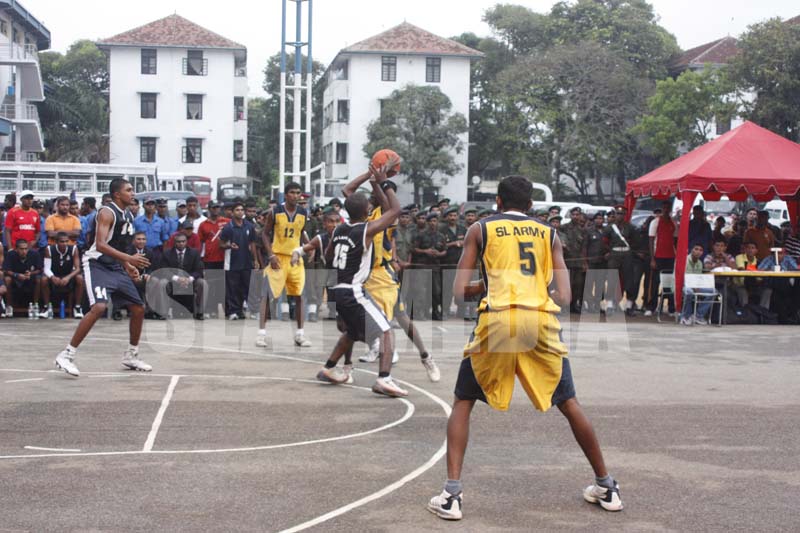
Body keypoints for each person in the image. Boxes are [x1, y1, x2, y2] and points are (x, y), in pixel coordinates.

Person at [427, 177, 622, 520]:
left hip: (498, 320)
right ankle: (606, 486)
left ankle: (451, 495)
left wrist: (488, 285)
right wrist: (534, 287)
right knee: (569, 403)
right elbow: (565, 296)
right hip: (539, 322)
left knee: (463, 402)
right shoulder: (550, 234)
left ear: (498, 202)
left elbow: (458, 291)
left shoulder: (479, 229)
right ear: (531, 205)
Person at [315, 161, 408, 397]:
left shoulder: (338, 229)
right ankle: (384, 379)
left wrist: (370, 174)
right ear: (367, 211)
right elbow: (396, 210)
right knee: (386, 331)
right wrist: (383, 182)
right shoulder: (366, 229)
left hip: (337, 289)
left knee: (353, 333)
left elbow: (328, 256)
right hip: (354, 291)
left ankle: (328, 368)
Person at [53, 178, 153, 377]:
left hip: (115, 266)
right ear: (117, 194)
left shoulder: (128, 215)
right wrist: (129, 259)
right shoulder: (107, 212)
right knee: (99, 307)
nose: (133, 193)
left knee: (138, 308)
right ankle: (66, 355)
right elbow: (100, 245)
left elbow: (117, 246)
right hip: (96, 264)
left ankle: (131, 355)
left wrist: (127, 266)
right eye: (129, 190)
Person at [258, 182, 311, 347]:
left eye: (298, 193)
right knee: (267, 295)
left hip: (295, 258)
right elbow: (265, 234)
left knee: (300, 295)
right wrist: (271, 255)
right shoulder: (275, 212)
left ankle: (300, 334)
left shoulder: (303, 212)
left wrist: (309, 247)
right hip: (278, 257)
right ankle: (261, 334)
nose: (296, 196)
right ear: (286, 195)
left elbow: (301, 232)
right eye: (292, 192)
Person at [219, 202, 259, 320]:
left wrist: (255, 259)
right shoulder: (228, 227)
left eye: (242, 210)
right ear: (232, 212)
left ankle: (249, 311)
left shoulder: (249, 226)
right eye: (237, 210)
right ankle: (233, 311)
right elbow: (221, 244)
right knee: (232, 288)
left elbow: (253, 244)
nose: (240, 212)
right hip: (232, 262)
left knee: (248, 287)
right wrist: (229, 246)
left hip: (246, 261)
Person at [158, 232, 206, 319]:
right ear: (174, 242)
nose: (181, 243)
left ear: (186, 242)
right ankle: (163, 313)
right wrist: (177, 279)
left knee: (202, 283)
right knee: (162, 283)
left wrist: (189, 279)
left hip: (190, 280)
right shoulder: (167, 253)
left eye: (183, 241)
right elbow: (164, 270)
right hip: (173, 281)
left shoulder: (194, 253)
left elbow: (199, 270)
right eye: (178, 242)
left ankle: (200, 313)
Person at [197, 201, 230, 317]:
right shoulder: (203, 225)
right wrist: (199, 258)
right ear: (209, 209)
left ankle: (226, 310)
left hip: (224, 259)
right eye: (213, 207)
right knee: (210, 286)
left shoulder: (226, 222)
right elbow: (200, 242)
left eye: (217, 207)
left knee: (223, 286)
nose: (216, 209)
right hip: (209, 259)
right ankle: (211, 309)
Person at [42, 232, 85, 319]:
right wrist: (53, 277)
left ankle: (77, 307)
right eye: (62, 241)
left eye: (66, 241)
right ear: (56, 242)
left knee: (80, 278)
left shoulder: (74, 249)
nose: (65, 243)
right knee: (43, 279)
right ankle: (47, 307)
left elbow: (77, 268)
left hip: (68, 276)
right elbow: (46, 268)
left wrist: (68, 277)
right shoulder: (49, 249)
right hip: (54, 275)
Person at [412, 212, 446, 320]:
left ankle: (435, 312)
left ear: (437, 222)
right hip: (422, 266)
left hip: (435, 266)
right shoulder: (421, 235)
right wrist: (425, 251)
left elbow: (445, 250)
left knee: (436, 291)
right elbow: (414, 249)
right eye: (430, 221)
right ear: (427, 223)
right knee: (421, 291)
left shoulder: (441, 236)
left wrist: (439, 254)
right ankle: (419, 313)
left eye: (435, 221)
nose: (433, 223)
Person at [603, 205, 635, 315]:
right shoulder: (609, 228)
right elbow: (604, 241)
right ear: (615, 214)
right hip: (614, 254)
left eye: (622, 214)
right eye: (617, 213)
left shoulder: (630, 227)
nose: (619, 216)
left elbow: (635, 241)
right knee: (612, 278)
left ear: (625, 215)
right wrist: (609, 251)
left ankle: (629, 305)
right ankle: (610, 305)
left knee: (629, 280)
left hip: (627, 254)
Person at [646, 202, 676, 316]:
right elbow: (651, 240)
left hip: (670, 257)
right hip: (658, 256)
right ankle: (651, 307)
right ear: (662, 209)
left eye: (668, 208)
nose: (666, 210)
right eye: (664, 208)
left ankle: (671, 308)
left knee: (669, 283)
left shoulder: (673, 222)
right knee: (655, 283)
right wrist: (652, 259)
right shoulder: (655, 222)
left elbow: (675, 240)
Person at [2, 238, 44, 315]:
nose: (24, 251)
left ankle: (35, 305)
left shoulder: (35, 254)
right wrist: (16, 275)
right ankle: (9, 306)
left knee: (39, 279)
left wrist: (31, 273)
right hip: (15, 277)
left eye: (26, 249)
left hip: (30, 277)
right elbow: (6, 270)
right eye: (21, 249)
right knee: (7, 279)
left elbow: (40, 269)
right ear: (16, 249)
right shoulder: (10, 254)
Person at [439, 206, 467, 318]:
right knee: (447, 288)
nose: (453, 218)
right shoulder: (442, 230)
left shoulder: (462, 229)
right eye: (450, 215)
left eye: (455, 215)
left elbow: (468, 242)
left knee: (462, 288)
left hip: (460, 263)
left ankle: (461, 311)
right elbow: (440, 244)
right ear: (446, 217)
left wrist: (462, 243)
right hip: (447, 263)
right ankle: (445, 310)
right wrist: (453, 244)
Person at [560, 208, 587, 314]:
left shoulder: (583, 230)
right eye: (573, 214)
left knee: (578, 285)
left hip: (578, 262)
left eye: (577, 214)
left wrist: (584, 262)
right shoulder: (564, 228)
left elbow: (584, 247)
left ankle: (574, 305)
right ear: (570, 215)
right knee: (567, 285)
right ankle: (565, 306)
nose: (575, 216)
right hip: (567, 261)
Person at [679, 244, 713, 325]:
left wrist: (697, 285)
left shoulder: (700, 263)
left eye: (700, 250)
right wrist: (693, 286)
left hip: (695, 285)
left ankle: (698, 315)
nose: (698, 252)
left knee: (713, 291)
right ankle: (685, 316)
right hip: (683, 285)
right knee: (689, 292)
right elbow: (682, 278)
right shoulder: (684, 260)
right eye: (696, 249)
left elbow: (698, 278)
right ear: (691, 250)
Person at [583, 212, 608, 313]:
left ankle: (598, 304)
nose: (599, 220)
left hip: (603, 262)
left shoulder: (607, 231)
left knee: (600, 284)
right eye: (597, 218)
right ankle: (589, 305)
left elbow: (610, 244)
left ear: (603, 220)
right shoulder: (589, 231)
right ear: (594, 220)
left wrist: (608, 253)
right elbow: (584, 247)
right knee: (589, 284)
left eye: (601, 218)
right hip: (591, 262)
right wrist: (585, 262)